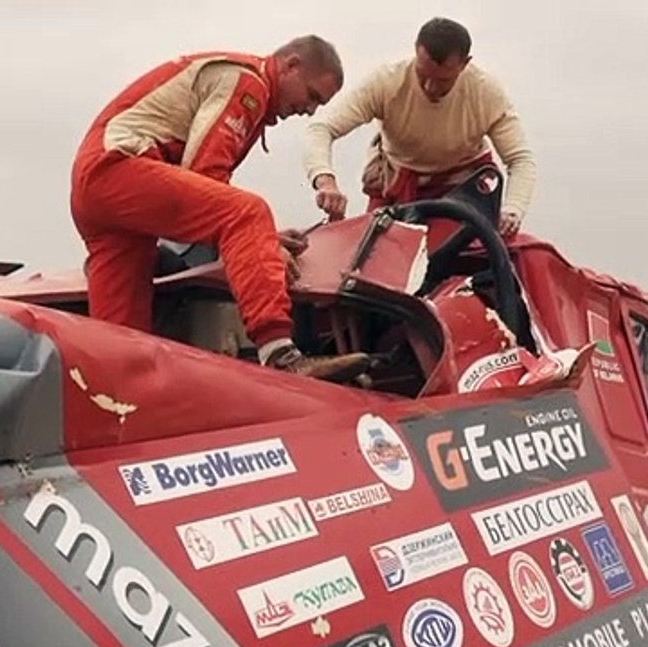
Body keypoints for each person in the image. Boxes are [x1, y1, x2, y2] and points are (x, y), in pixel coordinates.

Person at [69, 36, 372, 382]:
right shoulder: (249, 83)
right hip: (119, 166)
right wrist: (261, 245)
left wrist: (261, 241)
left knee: (121, 340)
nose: (309, 110)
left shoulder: (235, 78)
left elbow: (199, 199)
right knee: (248, 212)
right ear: (290, 66)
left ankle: (116, 401)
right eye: (312, 96)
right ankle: (280, 355)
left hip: (96, 187)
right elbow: (205, 175)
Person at [302, 18, 538, 237]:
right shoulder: (387, 82)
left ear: (465, 64)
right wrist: (326, 181)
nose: (430, 87)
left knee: (481, 258)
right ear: (416, 51)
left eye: (443, 80)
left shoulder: (485, 92)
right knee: (369, 263)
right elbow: (322, 128)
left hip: (463, 193)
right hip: (397, 189)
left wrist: (512, 209)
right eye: (423, 74)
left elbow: (520, 159)